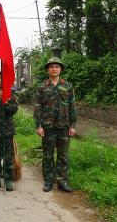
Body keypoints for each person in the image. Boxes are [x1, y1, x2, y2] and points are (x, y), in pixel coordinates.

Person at [34, 57, 77, 193]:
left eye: (57, 66)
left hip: (64, 127)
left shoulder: (68, 86)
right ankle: (48, 180)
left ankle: (62, 181)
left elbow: (72, 106)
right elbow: (37, 107)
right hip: (48, 127)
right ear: (47, 69)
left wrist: (73, 126)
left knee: (63, 155)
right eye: (51, 66)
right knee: (47, 155)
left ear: (60, 69)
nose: (54, 69)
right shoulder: (42, 87)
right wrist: (38, 126)